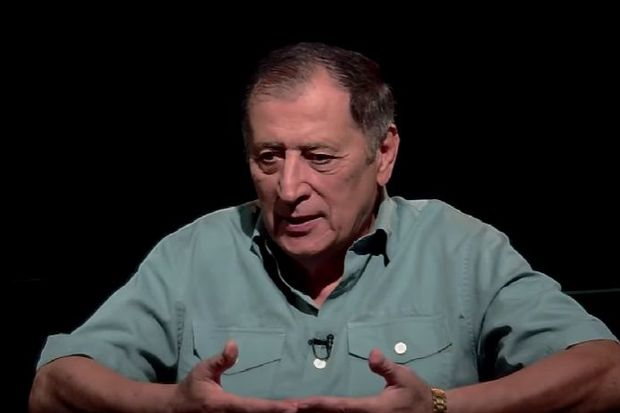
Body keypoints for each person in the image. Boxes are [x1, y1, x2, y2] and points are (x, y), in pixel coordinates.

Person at [29, 42, 619, 413]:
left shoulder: (460, 249)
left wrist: (441, 406)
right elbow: (54, 385)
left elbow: (606, 371)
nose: (289, 188)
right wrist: (167, 406)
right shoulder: (194, 253)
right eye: (269, 157)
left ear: (383, 153)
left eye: (319, 157)